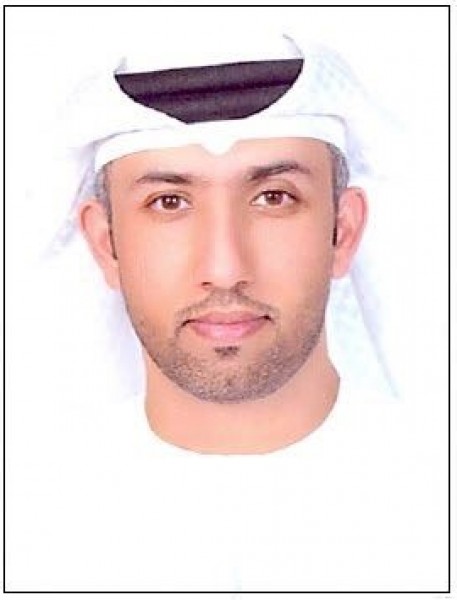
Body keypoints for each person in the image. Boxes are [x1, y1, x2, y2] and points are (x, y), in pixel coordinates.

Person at [6, 23, 448, 592]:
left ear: (342, 231)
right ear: (105, 243)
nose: (224, 266)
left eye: (273, 198)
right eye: (169, 202)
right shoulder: (31, 529)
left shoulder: (434, 502)